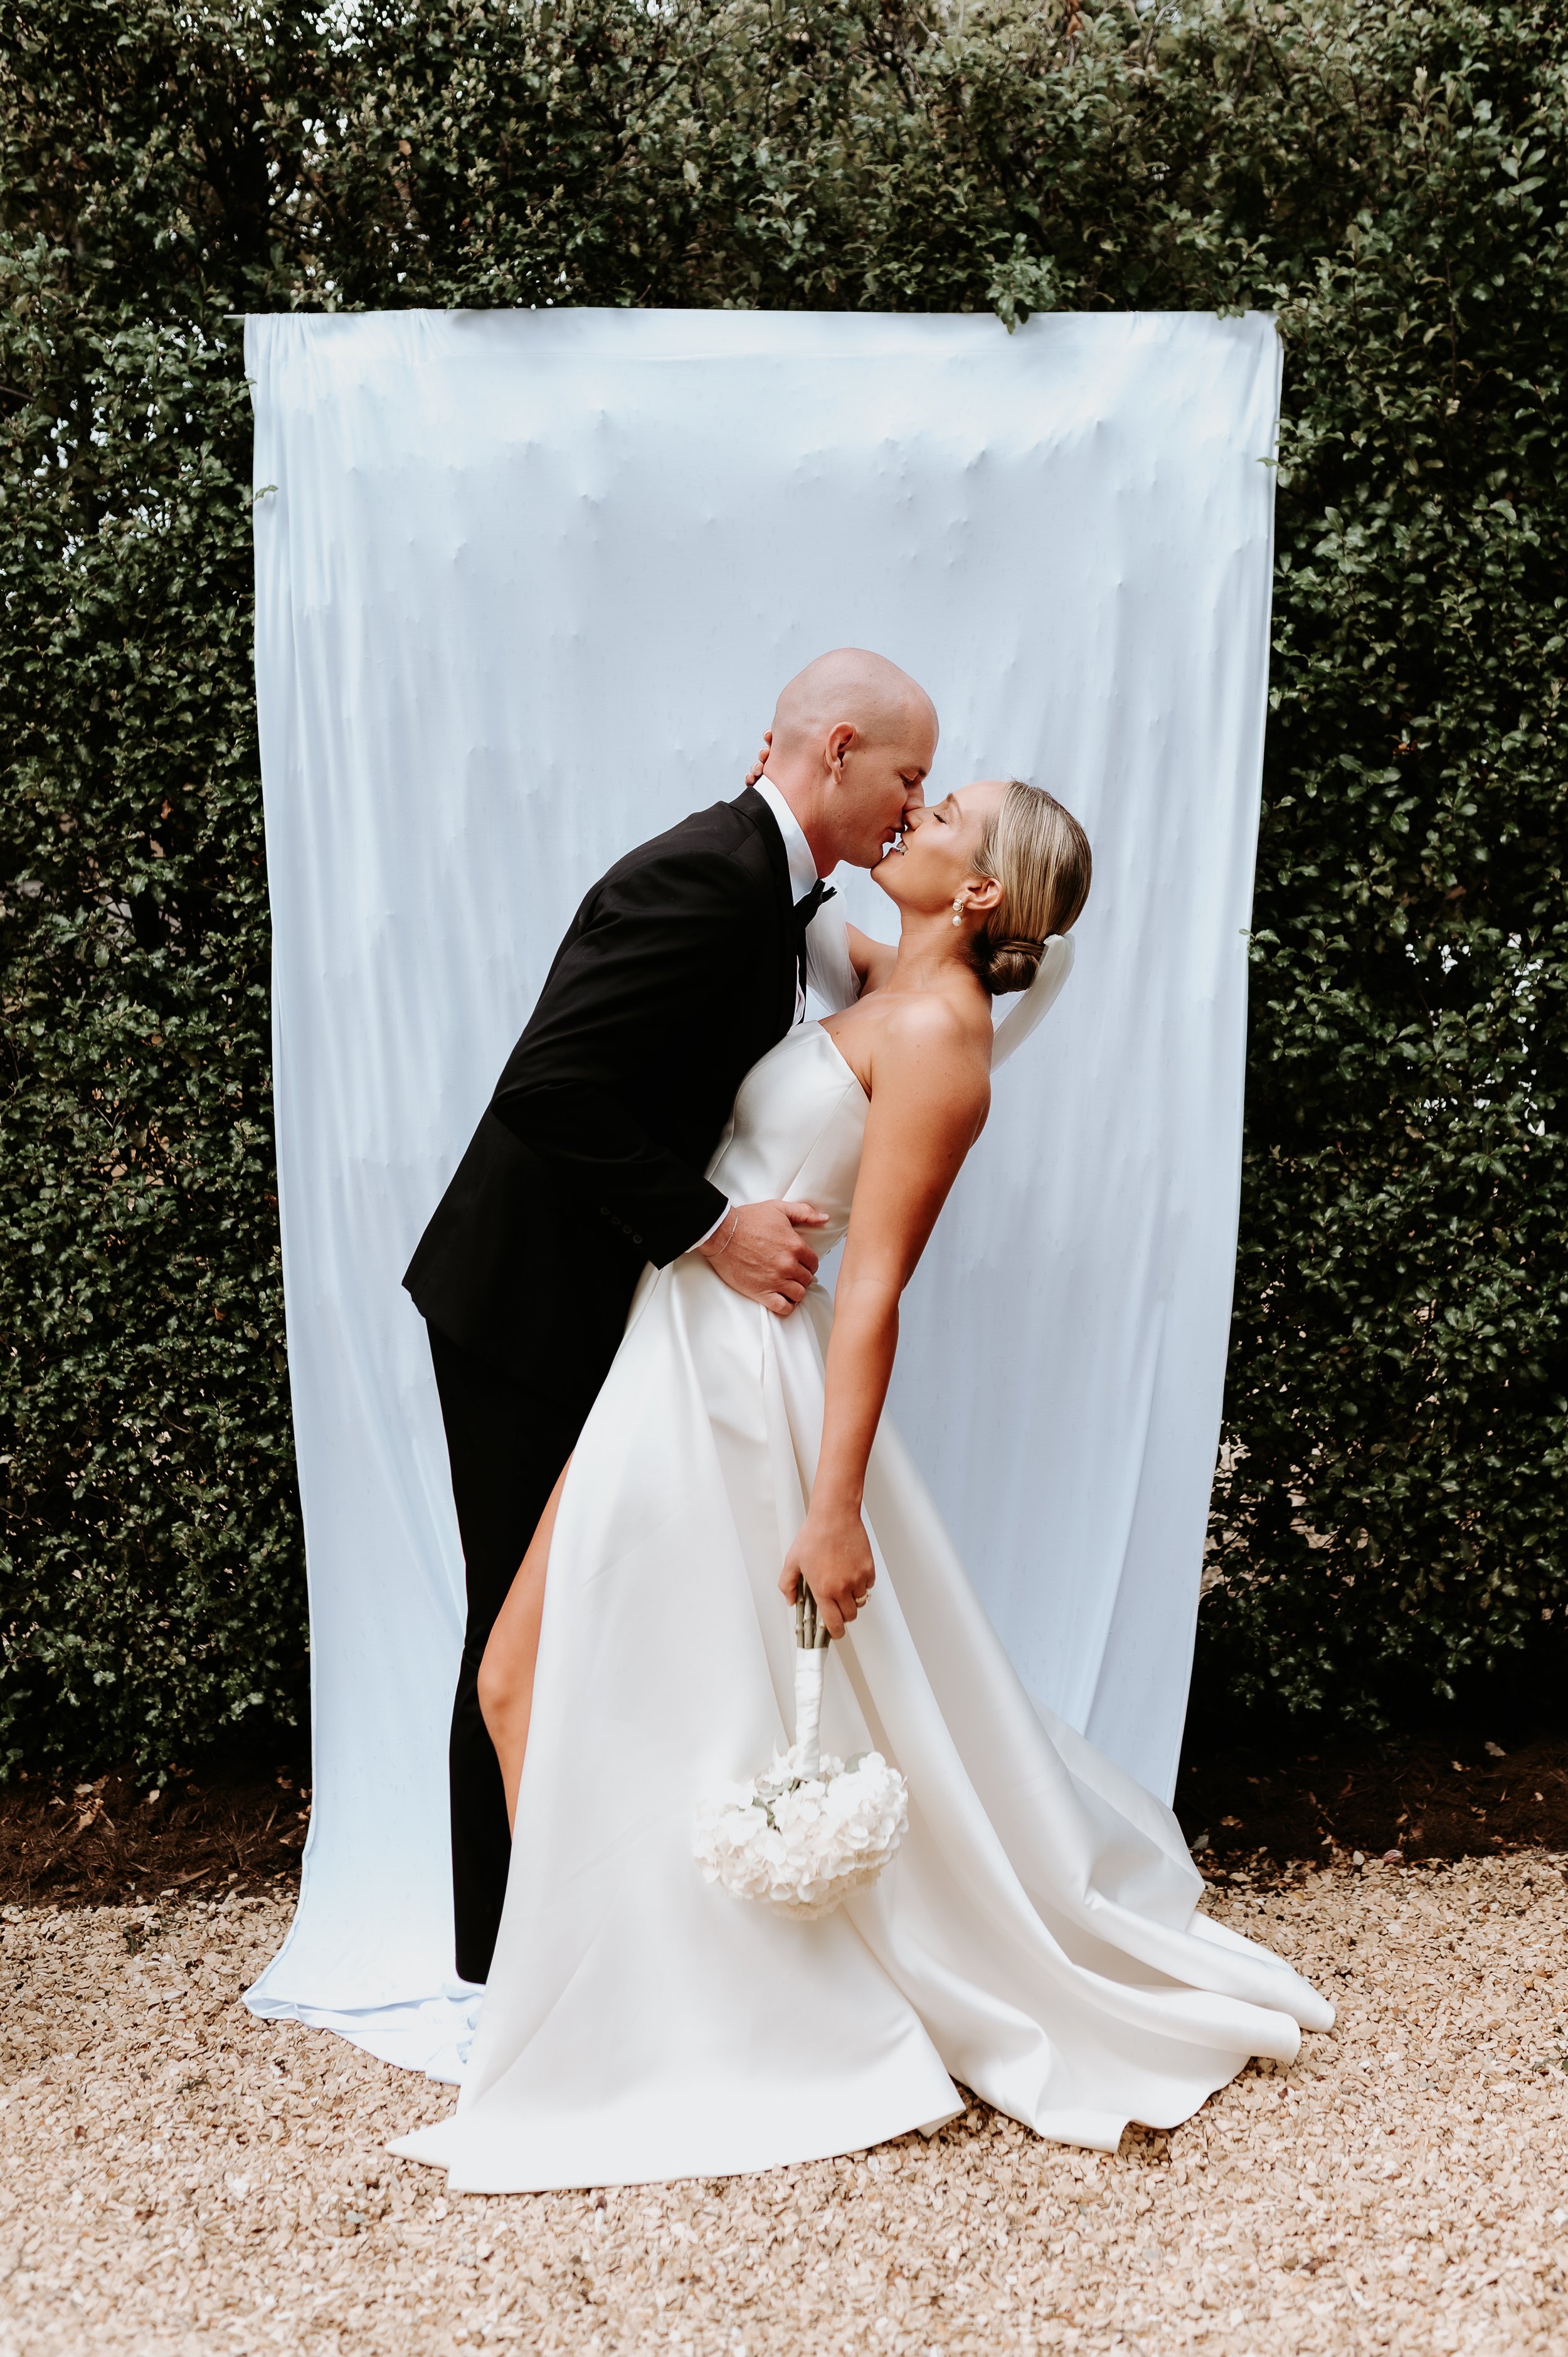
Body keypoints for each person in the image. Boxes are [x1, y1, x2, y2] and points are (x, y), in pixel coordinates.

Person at [393, 775, 1332, 2192]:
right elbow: (784, 907)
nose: (918, 816)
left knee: (538, 1678)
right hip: (671, 1348)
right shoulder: (892, 973)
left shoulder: (944, 1041)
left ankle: (616, 2021)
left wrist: (832, 1508)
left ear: (981, 891)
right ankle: (594, 2002)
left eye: (944, 816)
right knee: (532, 1680)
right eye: (920, 791)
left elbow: (877, 1290)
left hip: (738, 1381)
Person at [403, 647, 940, 1984]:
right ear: (835, 751)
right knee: (517, 1630)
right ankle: (502, 1978)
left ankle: (608, 1948)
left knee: (599, 1618)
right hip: (527, 1302)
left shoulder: (783, 889)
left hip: (620, 1307)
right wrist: (715, 1226)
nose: (912, 804)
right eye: (908, 775)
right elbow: (547, 1085)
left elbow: (941, 977)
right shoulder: (704, 875)